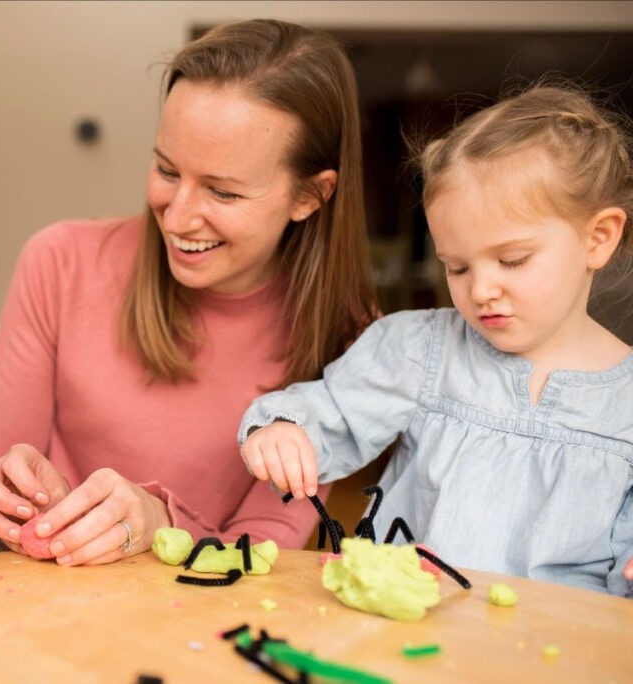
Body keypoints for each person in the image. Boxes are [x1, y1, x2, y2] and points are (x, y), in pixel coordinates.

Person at [0, 19, 377, 565]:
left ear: (309, 196)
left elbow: (262, 552)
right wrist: (14, 491)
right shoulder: (58, 262)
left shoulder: (349, 335)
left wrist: (160, 520)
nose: (179, 216)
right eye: (166, 169)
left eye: (223, 192)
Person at [239, 84, 633, 596]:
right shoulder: (420, 350)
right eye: (458, 267)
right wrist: (284, 431)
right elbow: (327, 411)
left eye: (511, 260)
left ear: (597, 238)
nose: (481, 290)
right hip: (410, 635)